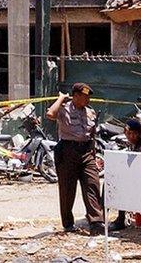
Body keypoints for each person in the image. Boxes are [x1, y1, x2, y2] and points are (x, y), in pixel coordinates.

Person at [46, 82, 104, 235]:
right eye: (85, 97)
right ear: (75, 96)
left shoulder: (90, 112)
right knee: (67, 189)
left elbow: (92, 135)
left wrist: (93, 155)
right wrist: (61, 99)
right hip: (68, 151)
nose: (88, 100)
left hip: (86, 152)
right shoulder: (64, 109)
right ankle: (68, 223)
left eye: (88, 97)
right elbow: (50, 114)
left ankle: (97, 222)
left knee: (92, 185)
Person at [109, 119, 141, 231]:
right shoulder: (131, 145)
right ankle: (119, 218)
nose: (131, 136)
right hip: (134, 179)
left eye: (134, 134)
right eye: (129, 133)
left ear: (139, 134)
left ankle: (121, 219)